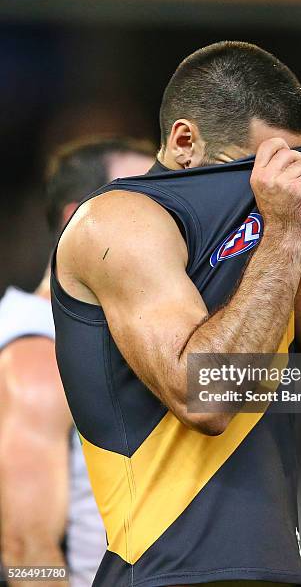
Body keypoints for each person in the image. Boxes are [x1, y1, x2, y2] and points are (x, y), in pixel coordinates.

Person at [52, 42, 301, 587]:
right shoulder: (117, 222)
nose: (273, 189)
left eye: (290, 169)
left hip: (278, 570)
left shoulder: (279, 238)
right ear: (184, 141)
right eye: (251, 170)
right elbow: (205, 400)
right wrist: (283, 233)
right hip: (164, 573)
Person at [0, 136, 156, 587]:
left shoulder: (135, 332)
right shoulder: (36, 352)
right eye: (142, 201)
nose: (167, 217)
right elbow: (25, 548)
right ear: (77, 220)